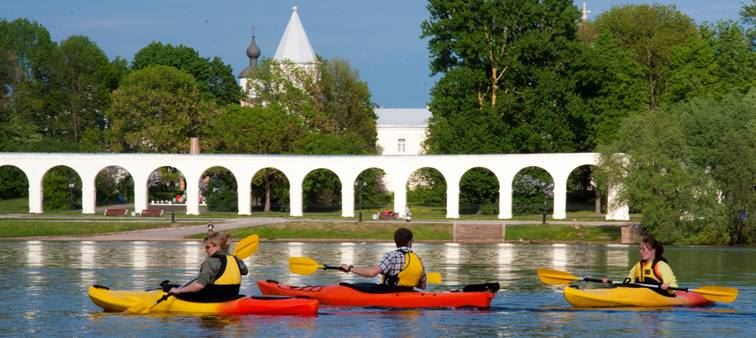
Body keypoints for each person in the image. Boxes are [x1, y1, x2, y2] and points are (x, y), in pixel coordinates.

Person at [168, 231, 248, 302]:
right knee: (176, 287)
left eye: (207, 247)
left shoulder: (210, 261)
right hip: (232, 296)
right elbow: (245, 272)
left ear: (217, 246)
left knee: (169, 289)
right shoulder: (235, 259)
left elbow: (199, 286)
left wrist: (178, 291)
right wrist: (236, 259)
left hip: (212, 299)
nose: (205, 250)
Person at [340, 227, 427, 290]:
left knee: (353, 285)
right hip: (408, 292)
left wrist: (350, 269)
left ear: (395, 241)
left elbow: (371, 273)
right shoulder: (418, 259)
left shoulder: (391, 255)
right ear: (409, 242)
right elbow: (422, 286)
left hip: (389, 292)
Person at [605, 235, 678, 295]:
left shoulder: (661, 265)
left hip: (659, 299)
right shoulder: (638, 265)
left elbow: (673, 287)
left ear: (653, 251)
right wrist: (610, 283)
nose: (640, 252)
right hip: (640, 295)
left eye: (643, 249)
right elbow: (627, 283)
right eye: (640, 249)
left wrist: (667, 286)